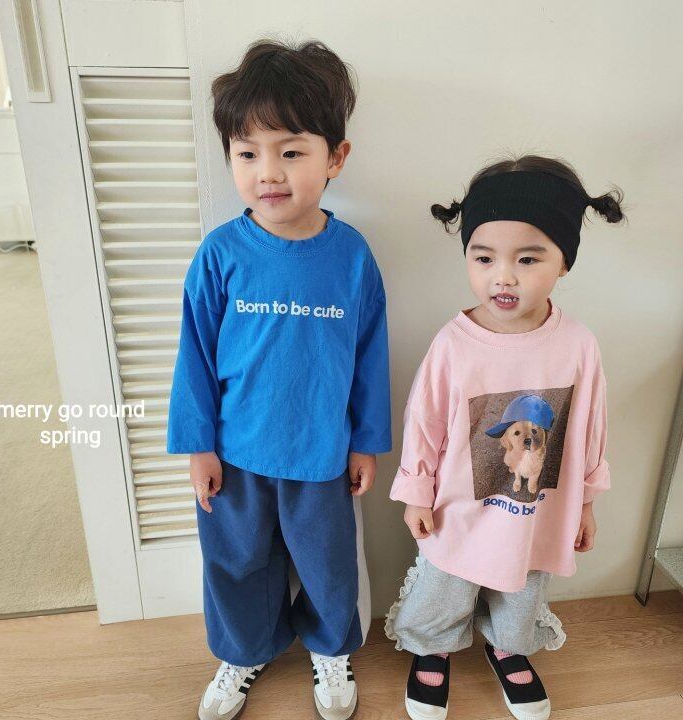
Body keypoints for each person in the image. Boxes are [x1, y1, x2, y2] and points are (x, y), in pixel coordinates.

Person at [167, 38, 392, 720]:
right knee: (236, 562)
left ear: (335, 157)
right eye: (247, 153)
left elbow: (370, 354)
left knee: (328, 565)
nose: (268, 172)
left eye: (291, 151)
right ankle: (244, 650)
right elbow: (194, 356)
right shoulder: (220, 255)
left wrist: (365, 441)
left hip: (321, 455)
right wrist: (198, 446)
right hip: (236, 456)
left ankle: (330, 648)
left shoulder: (352, 257)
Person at [385, 155, 623, 720]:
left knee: (524, 583)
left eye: (528, 259)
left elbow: (590, 427)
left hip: (538, 508)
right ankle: (433, 647)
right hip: (459, 506)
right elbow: (424, 422)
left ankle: (509, 646)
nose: (504, 277)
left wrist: (586, 503)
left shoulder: (578, 344)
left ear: (564, 262)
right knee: (445, 582)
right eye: (484, 257)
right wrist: (417, 492)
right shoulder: (454, 343)